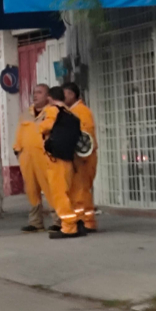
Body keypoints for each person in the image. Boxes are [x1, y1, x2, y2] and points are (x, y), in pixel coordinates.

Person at [37, 83, 82, 239]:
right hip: (68, 158)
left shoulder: (52, 110)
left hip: (55, 159)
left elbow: (46, 127)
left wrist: (39, 126)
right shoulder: (70, 114)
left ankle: (69, 227)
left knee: (59, 195)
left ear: (50, 98)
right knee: (68, 193)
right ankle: (75, 222)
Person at [63, 82, 99, 232]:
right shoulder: (73, 111)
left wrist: (80, 154)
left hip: (83, 157)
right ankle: (83, 220)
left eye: (64, 95)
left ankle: (86, 221)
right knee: (78, 190)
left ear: (72, 94)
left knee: (81, 190)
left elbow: (85, 135)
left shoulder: (80, 111)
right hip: (79, 157)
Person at [12, 90, 49, 232]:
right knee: (31, 189)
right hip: (27, 157)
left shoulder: (51, 113)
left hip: (44, 156)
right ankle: (35, 222)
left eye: (40, 92)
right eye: (34, 92)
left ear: (48, 96)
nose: (35, 95)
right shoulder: (26, 114)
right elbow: (19, 133)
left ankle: (59, 220)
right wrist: (17, 149)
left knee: (50, 188)